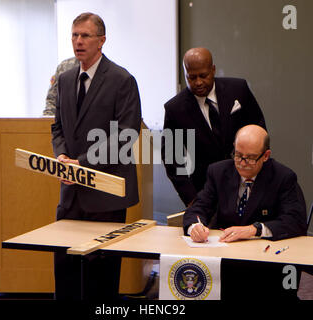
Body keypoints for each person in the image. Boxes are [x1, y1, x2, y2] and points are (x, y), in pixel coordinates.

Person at [51, 12, 141, 300]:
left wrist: (84, 163)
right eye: (75, 35)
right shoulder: (65, 80)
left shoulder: (121, 79)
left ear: (101, 40)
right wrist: (63, 156)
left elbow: (127, 134)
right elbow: (58, 126)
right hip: (71, 193)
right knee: (65, 270)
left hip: (106, 194)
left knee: (100, 279)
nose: (78, 41)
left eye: (85, 36)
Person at [184, 125, 307, 299]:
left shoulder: (283, 177)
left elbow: (295, 220)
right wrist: (195, 226)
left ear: (265, 156)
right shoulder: (218, 172)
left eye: (249, 158)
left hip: (267, 264)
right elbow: (198, 208)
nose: (242, 163)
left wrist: (254, 229)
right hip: (225, 260)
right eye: (238, 155)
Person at [162, 47, 266, 207]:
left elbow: (259, 129)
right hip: (204, 188)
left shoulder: (238, 89)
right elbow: (172, 159)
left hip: (247, 179)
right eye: (191, 77)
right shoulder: (175, 109)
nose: (198, 82)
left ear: (213, 70)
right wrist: (191, 199)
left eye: (203, 76)